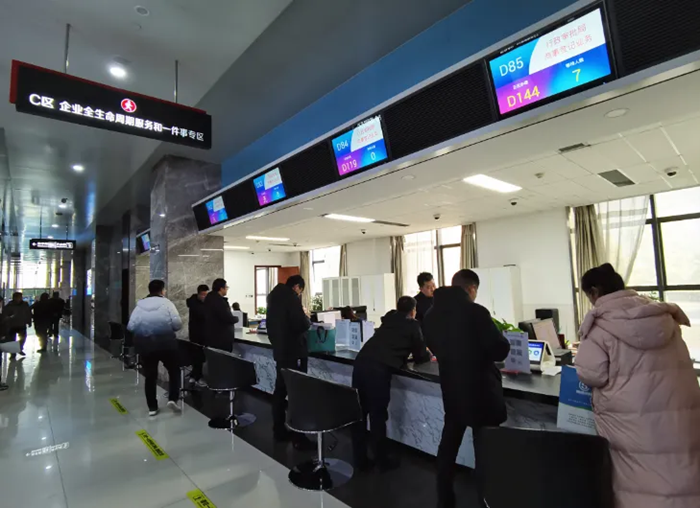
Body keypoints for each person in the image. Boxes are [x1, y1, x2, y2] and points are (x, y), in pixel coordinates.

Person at [575, 263, 700, 508]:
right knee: (682, 466)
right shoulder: (660, 315)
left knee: (639, 474)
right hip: (678, 411)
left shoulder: (600, 324)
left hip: (633, 420)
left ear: (594, 292)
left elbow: (592, 374)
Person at [423, 269, 511, 508]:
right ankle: (486, 500)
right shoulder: (476, 312)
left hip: (452, 387)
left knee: (448, 445)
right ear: (471, 288)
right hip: (482, 390)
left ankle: (444, 498)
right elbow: (499, 350)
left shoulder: (431, 315)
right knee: (485, 450)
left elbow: (434, 346)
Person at [352, 296, 431, 471]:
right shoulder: (412, 325)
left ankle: (359, 459)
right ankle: (381, 460)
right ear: (413, 311)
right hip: (378, 369)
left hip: (361, 363)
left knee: (359, 413)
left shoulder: (387, 320)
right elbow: (420, 356)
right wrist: (428, 354)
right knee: (378, 415)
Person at [266, 275, 312, 448]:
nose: (299, 294)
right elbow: (301, 324)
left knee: (280, 391)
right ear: (297, 287)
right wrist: (306, 318)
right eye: (300, 291)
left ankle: (279, 430)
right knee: (297, 393)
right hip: (294, 352)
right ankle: (298, 437)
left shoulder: (273, 297)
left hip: (280, 351)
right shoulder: (291, 298)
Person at [127, 279, 183, 416]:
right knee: (174, 371)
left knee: (150, 376)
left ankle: (152, 407)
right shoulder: (167, 304)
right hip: (166, 344)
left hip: (146, 346)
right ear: (162, 290)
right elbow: (177, 324)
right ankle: (173, 398)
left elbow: (131, 326)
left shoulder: (139, 306)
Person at [203, 278, 238, 351]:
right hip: (221, 338)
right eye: (226, 287)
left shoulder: (209, 298)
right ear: (221, 289)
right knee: (223, 357)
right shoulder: (219, 301)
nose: (227, 289)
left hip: (211, 335)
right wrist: (236, 319)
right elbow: (227, 318)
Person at [186, 284, 209, 387]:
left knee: (198, 357)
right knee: (198, 357)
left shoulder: (196, 302)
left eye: (206, 295)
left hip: (201, 334)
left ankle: (194, 376)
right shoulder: (194, 304)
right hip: (197, 334)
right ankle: (197, 377)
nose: (204, 297)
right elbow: (203, 315)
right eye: (203, 295)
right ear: (198, 294)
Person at [2, 292, 32, 359]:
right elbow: (5, 315)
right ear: (14, 298)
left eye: (20, 297)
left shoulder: (25, 305)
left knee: (23, 338)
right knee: (12, 340)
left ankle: (20, 348)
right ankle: (13, 354)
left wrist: (29, 321)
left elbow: (28, 313)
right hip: (12, 325)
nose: (20, 298)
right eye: (18, 297)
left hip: (22, 324)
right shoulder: (9, 305)